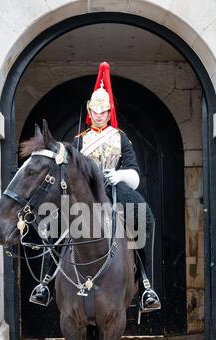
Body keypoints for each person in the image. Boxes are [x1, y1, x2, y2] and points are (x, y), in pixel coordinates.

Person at [71, 62, 160, 313]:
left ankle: (145, 284)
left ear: (109, 112)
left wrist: (118, 174)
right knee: (52, 220)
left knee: (146, 219)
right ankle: (46, 282)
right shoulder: (78, 141)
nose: (99, 115)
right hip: (85, 193)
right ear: (90, 111)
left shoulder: (120, 137)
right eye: (95, 111)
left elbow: (134, 174)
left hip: (115, 190)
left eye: (104, 111)